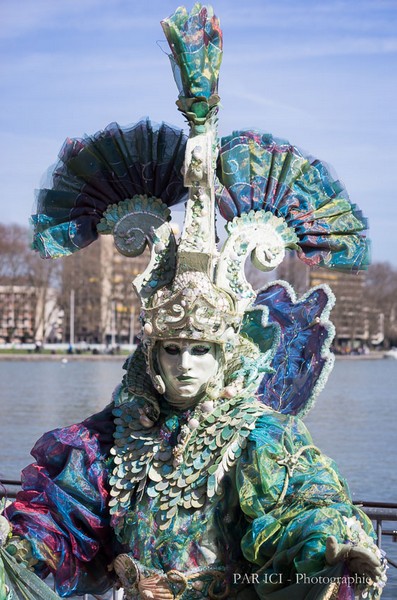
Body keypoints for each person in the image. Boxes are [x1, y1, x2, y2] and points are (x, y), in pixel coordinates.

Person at [0, 4, 388, 599]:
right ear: (152, 357)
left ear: (225, 353)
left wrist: (328, 547)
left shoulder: (259, 436)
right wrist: (27, 543)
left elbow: (299, 508)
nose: (185, 363)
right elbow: (67, 507)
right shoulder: (115, 434)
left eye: (201, 349)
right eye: (174, 348)